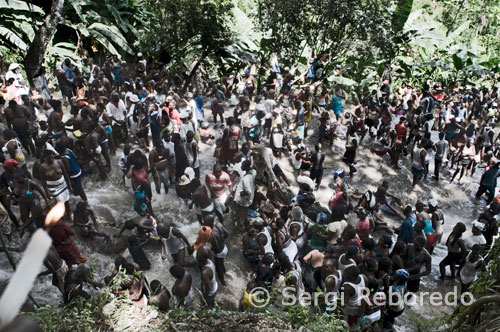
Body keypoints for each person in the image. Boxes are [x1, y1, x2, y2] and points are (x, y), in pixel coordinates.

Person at [39, 150, 73, 220]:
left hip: (63, 184)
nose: (51, 159)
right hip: (53, 187)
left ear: (53, 155)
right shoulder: (43, 167)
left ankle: (69, 214)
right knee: (59, 203)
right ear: (45, 158)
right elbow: (43, 181)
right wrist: (47, 192)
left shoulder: (59, 162)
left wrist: (69, 185)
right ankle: (62, 217)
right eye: (48, 158)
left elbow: (66, 174)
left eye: (52, 157)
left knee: (66, 200)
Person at [234, 160, 256, 231]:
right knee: (244, 213)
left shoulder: (246, 178)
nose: (241, 166)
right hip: (247, 200)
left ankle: (241, 228)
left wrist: (242, 193)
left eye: (242, 165)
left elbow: (248, 191)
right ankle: (245, 224)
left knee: (240, 215)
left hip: (242, 200)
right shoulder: (253, 173)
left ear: (246, 167)